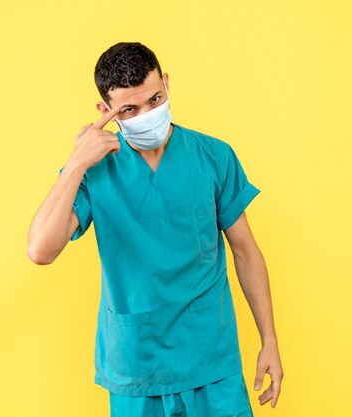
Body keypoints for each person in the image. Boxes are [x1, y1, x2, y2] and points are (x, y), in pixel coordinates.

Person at [27, 41, 283, 416]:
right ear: (106, 112)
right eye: (129, 109)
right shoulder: (96, 171)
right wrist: (77, 161)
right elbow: (40, 250)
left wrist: (269, 339)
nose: (147, 114)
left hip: (210, 359)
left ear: (165, 83)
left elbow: (245, 250)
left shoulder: (213, 156)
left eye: (154, 99)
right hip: (137, 367)